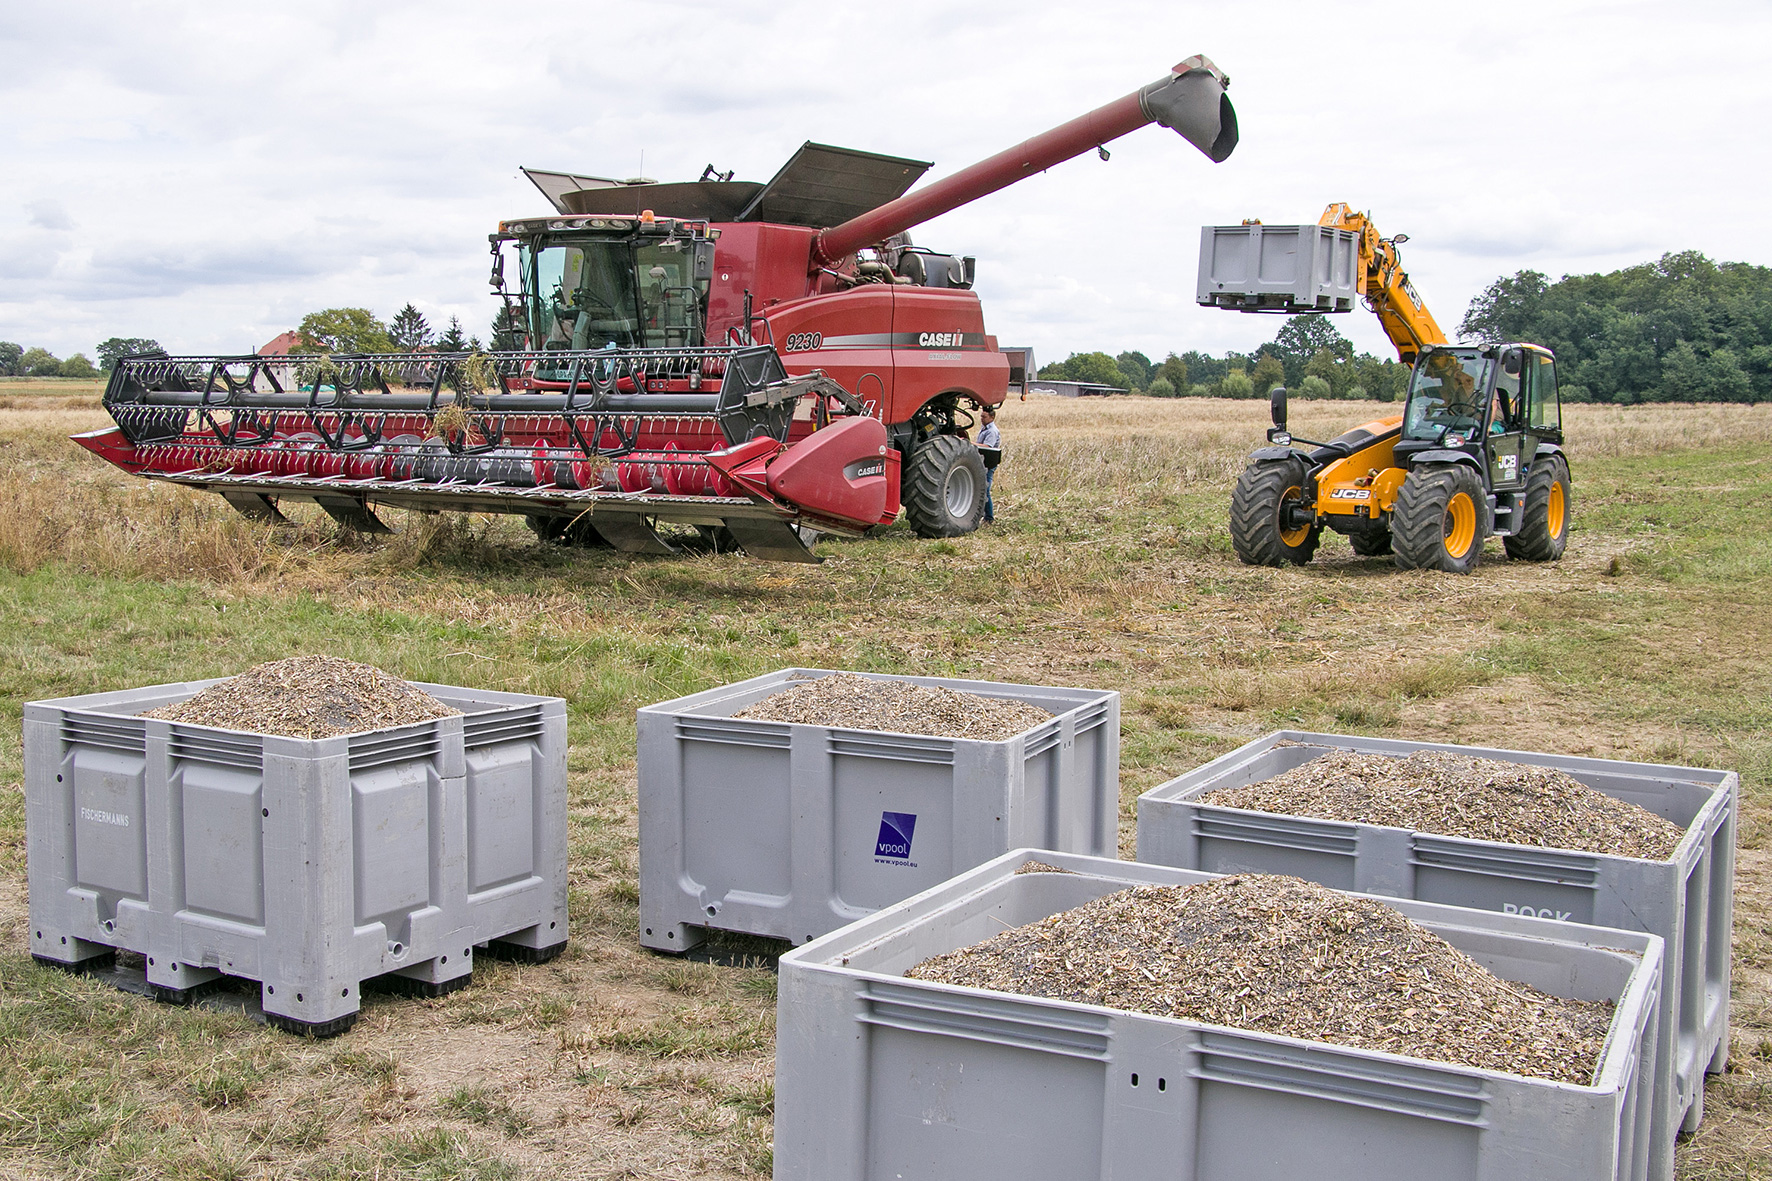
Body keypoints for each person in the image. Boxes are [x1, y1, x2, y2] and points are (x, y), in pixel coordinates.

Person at [975, 407, 1001, 524]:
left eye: (984, 417)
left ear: (992, 417)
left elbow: (988, 446)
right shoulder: (985, 428)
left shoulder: (992, 431)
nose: (982, 419)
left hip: (989, 463)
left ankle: (989, 518)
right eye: (981, 416)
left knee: (985, 490)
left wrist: (971, 444)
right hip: (983, 462)